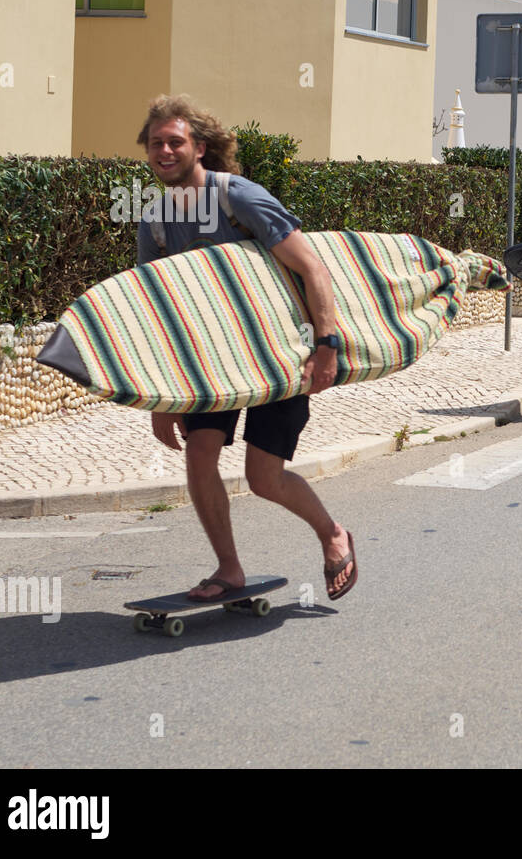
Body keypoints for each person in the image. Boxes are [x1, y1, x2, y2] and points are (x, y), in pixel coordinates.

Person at [136, 95, 357, 602]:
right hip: (209, 361)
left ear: (200, 147)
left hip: (278, 353)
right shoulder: (154, 221)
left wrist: (326, 345)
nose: (164, 151)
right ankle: (229, 569)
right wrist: (157, 397)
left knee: (263, 477)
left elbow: (312, 266)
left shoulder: (239, 197)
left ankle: (333, 534)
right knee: (199, 454)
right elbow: (157, 307)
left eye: (175, 141)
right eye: (156, 144)